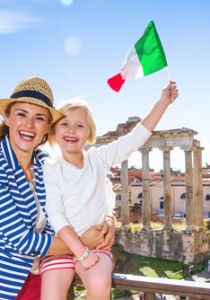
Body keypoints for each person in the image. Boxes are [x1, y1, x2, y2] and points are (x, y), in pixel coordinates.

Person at [0, 77, 115, 300]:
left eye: (39, 118)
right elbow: (22, 240)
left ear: (47, 127)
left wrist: (107, 221)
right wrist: (83, 245)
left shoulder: (46, 163)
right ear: (7, 118)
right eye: (22, 114)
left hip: (35, 283)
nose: (29, 125)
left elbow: (80, 198)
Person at [41, 81, 179, 300]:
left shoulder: (97, 158)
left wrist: (163, 102)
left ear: (89, 133)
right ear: (54, 131)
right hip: (63, 246)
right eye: (64, 124)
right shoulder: (51, 167)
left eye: (79, 125)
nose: (71, 130)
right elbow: (55, 214)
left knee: (99, 284)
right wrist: (81, 252)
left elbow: (134, 139)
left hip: (96, 246)